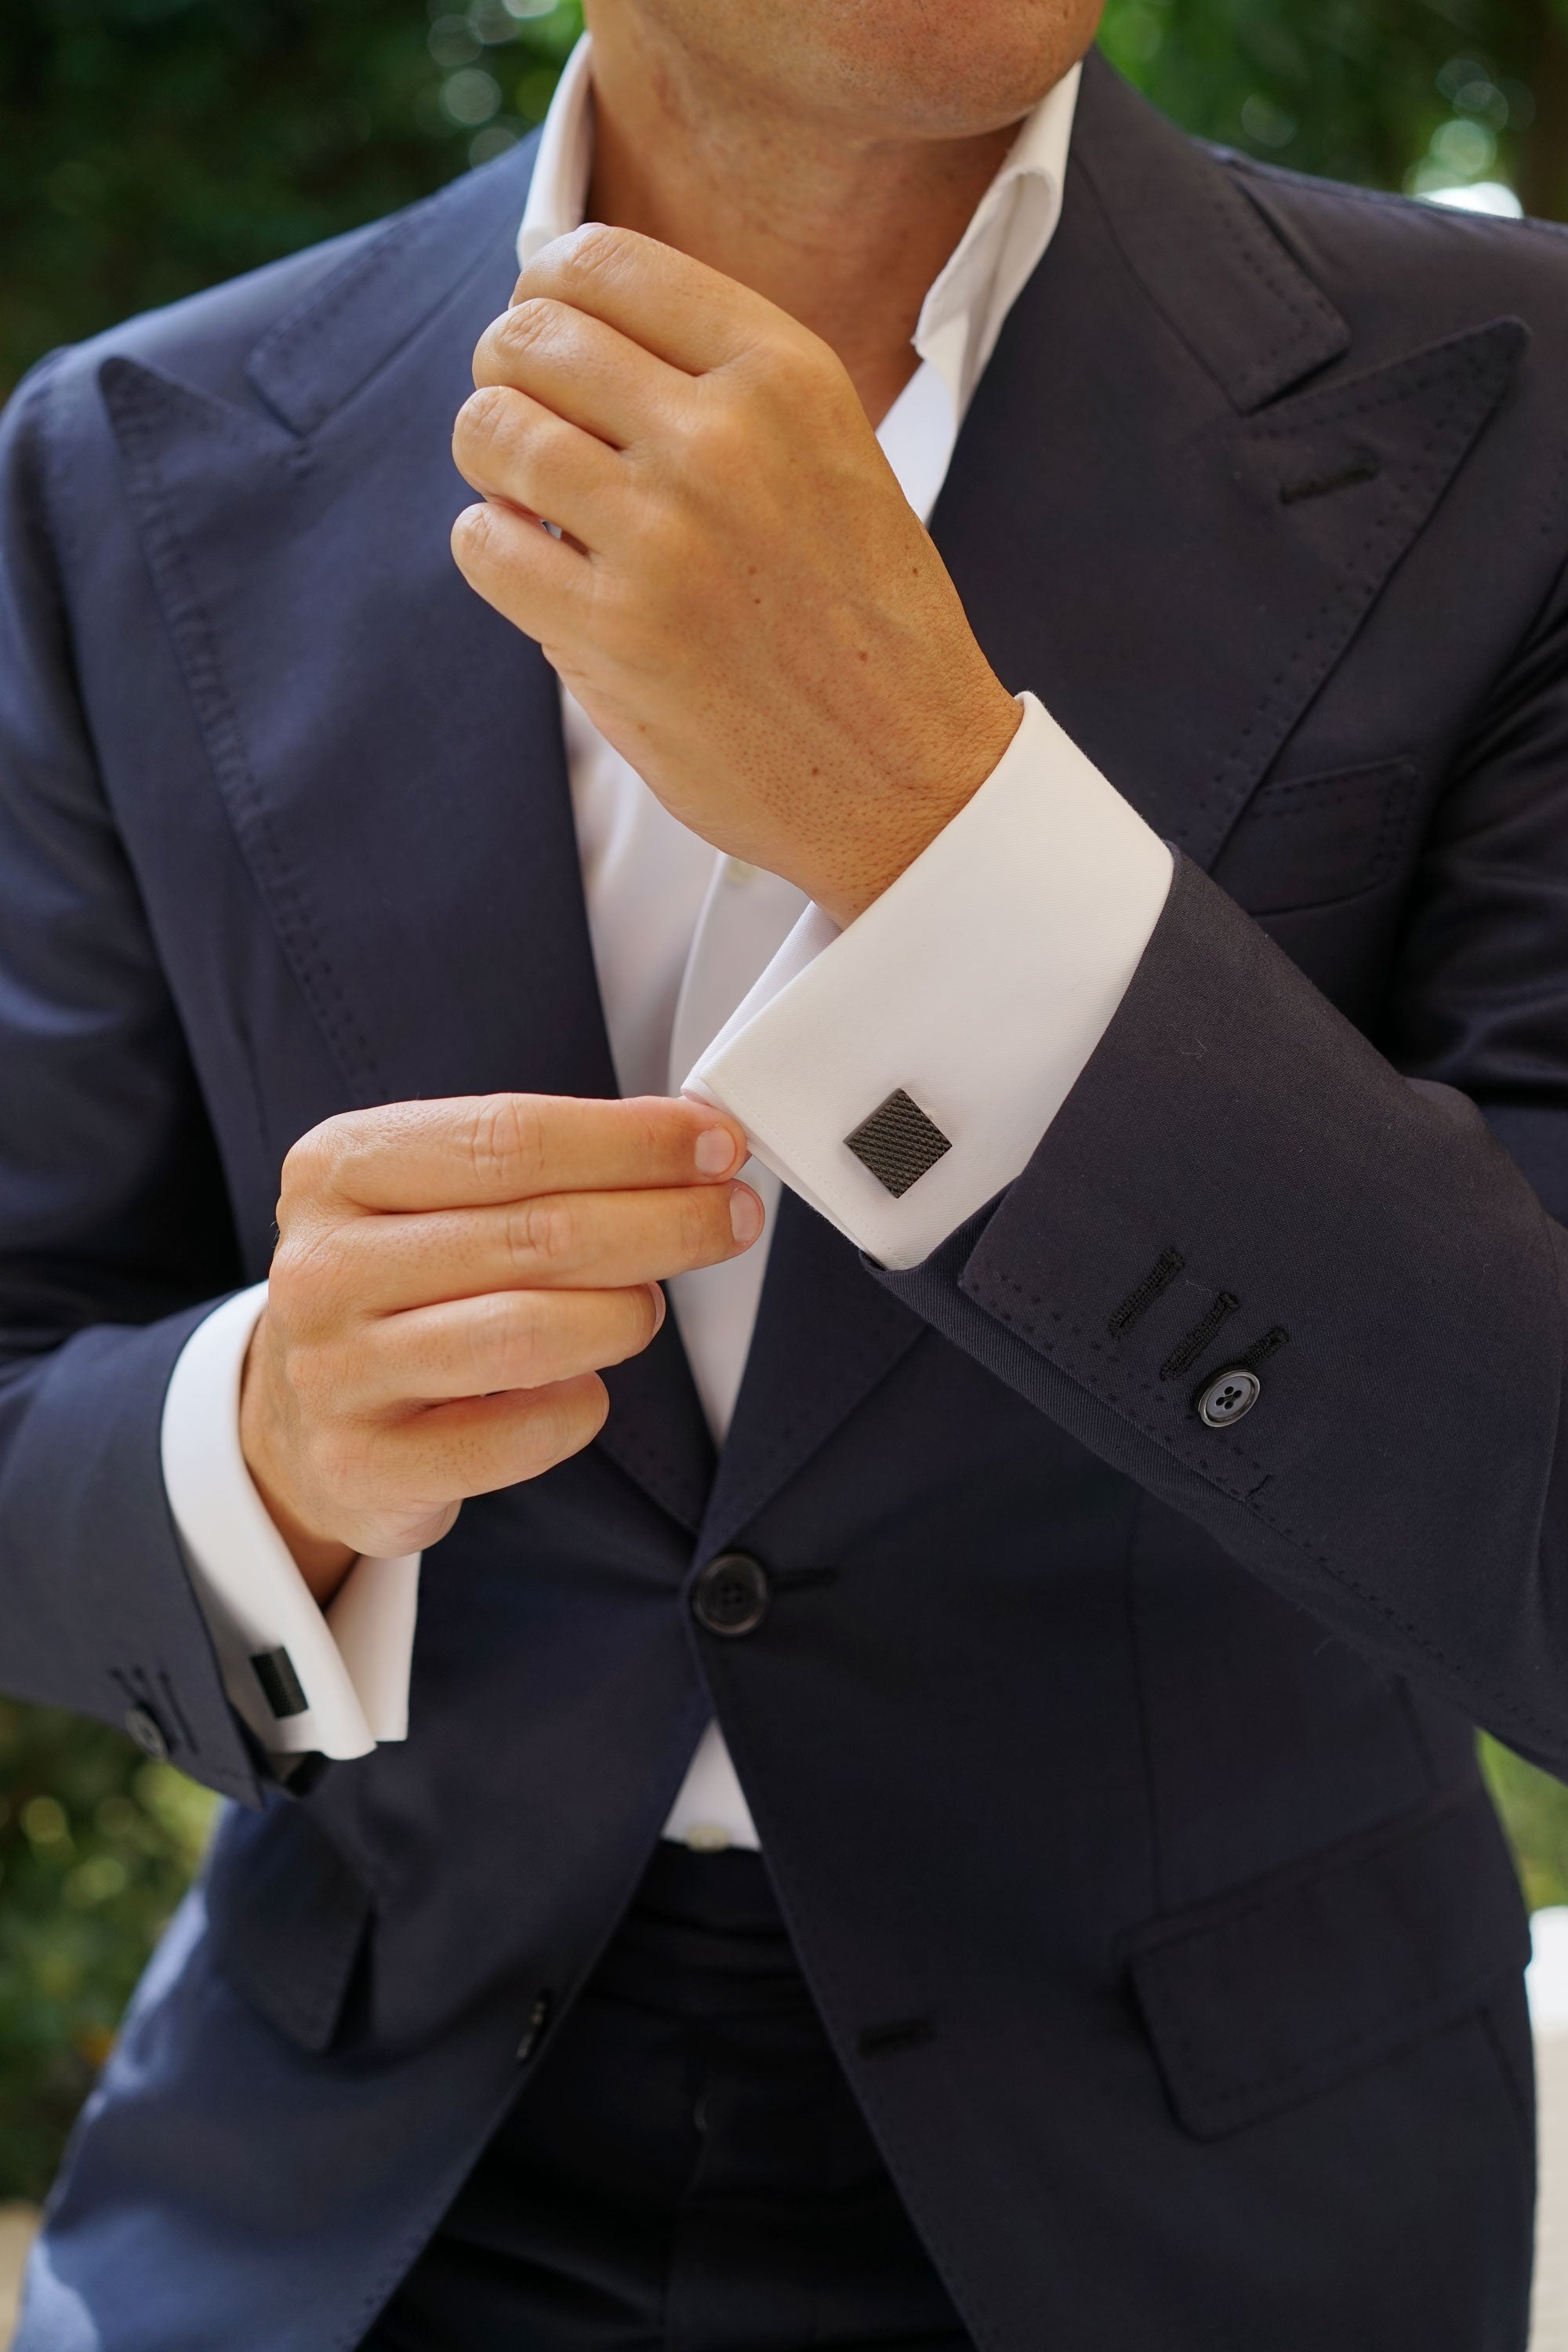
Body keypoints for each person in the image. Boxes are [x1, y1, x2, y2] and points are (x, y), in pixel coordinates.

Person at [2, 0, 1566, 2339]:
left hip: (1222, 2211)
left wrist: (939, 831)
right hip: (361, 2182)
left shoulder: (1517, 405)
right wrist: (263, 1448)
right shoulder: (121, 466)